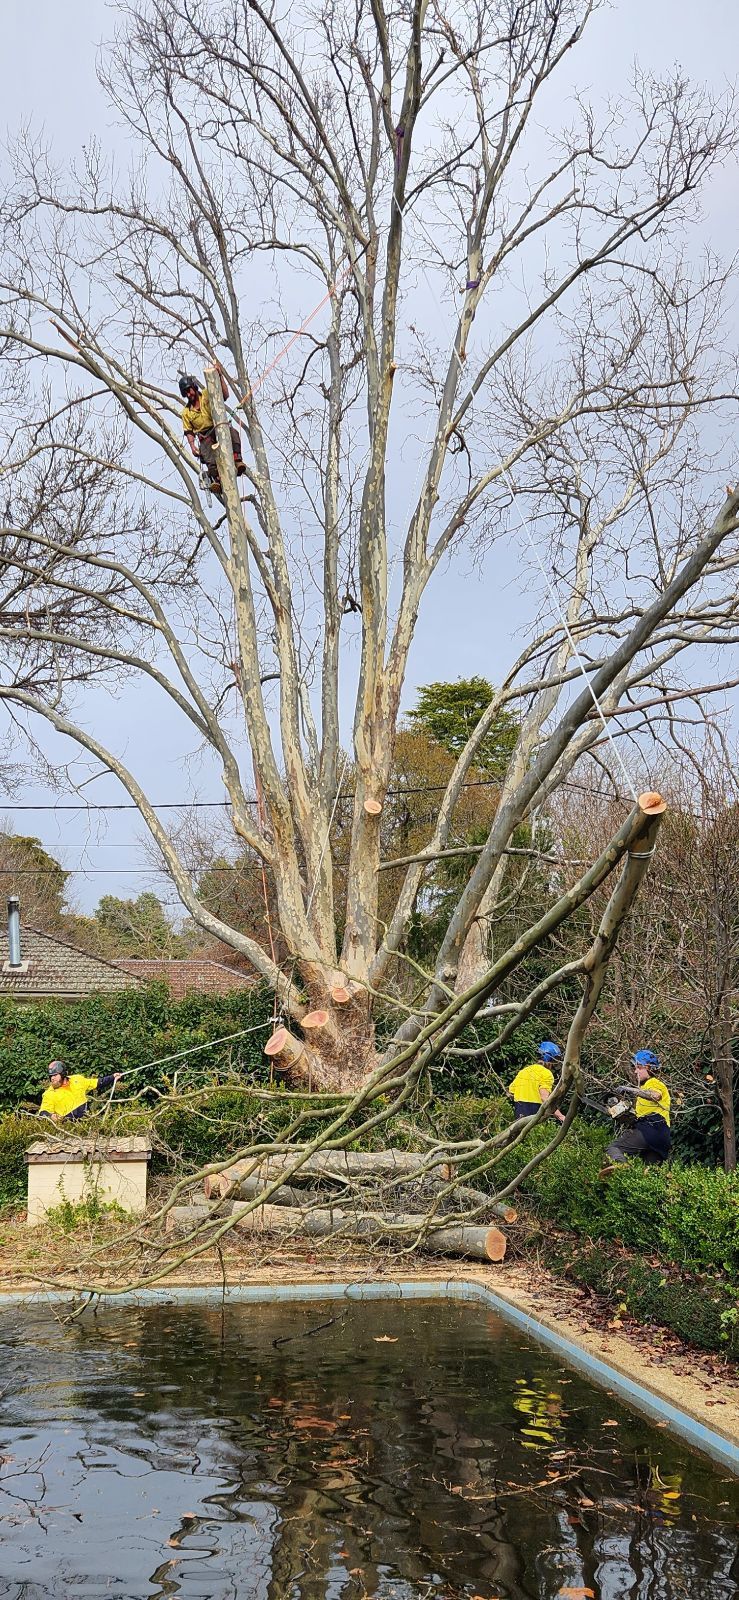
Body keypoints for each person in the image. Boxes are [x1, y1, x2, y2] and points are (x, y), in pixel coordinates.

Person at [179, 366, 247, 497]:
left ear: (194, 387)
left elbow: (225, 395)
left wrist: (220, 377)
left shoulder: (206, 394)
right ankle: (217, 478)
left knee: (233, 433)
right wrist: (192, 447)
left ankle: (237, 460)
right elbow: (189, 432)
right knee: (206, 449)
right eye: (186, 393)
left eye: (189, 391)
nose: (189, 395)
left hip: (219, 426)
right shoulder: (186, 412)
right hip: (205, 435)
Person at [603, 1048, 672, 1165]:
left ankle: (622, 1169)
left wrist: (628, 1089)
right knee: (650, 1174)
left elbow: (655, 1095)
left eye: (639, 1068)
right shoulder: (645, 1091)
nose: (635, 1071)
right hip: (663, 1136)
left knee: (613, 1149)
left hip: (651, 1127)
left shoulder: (654, 1083)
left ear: (649, 1068)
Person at [40, 1061, 123, 1122]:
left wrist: (112, 1077)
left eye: (55, 1075)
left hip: (86, 1122)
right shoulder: (49, 1094)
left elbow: (97, 1083)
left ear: (63, 1074)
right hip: (68, 1129)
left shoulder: (77, 1080)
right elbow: (43, 1113)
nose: (52, 1078)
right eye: (51, 1076)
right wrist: (51, 1116)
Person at [508, 1042, 566, 1123]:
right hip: (534, 1113)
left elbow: (511, 1092)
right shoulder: (546, 1073)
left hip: (519, 1113)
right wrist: (560, 1116)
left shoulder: (524, 1071)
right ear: (550, 1059)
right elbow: (544, 1098)